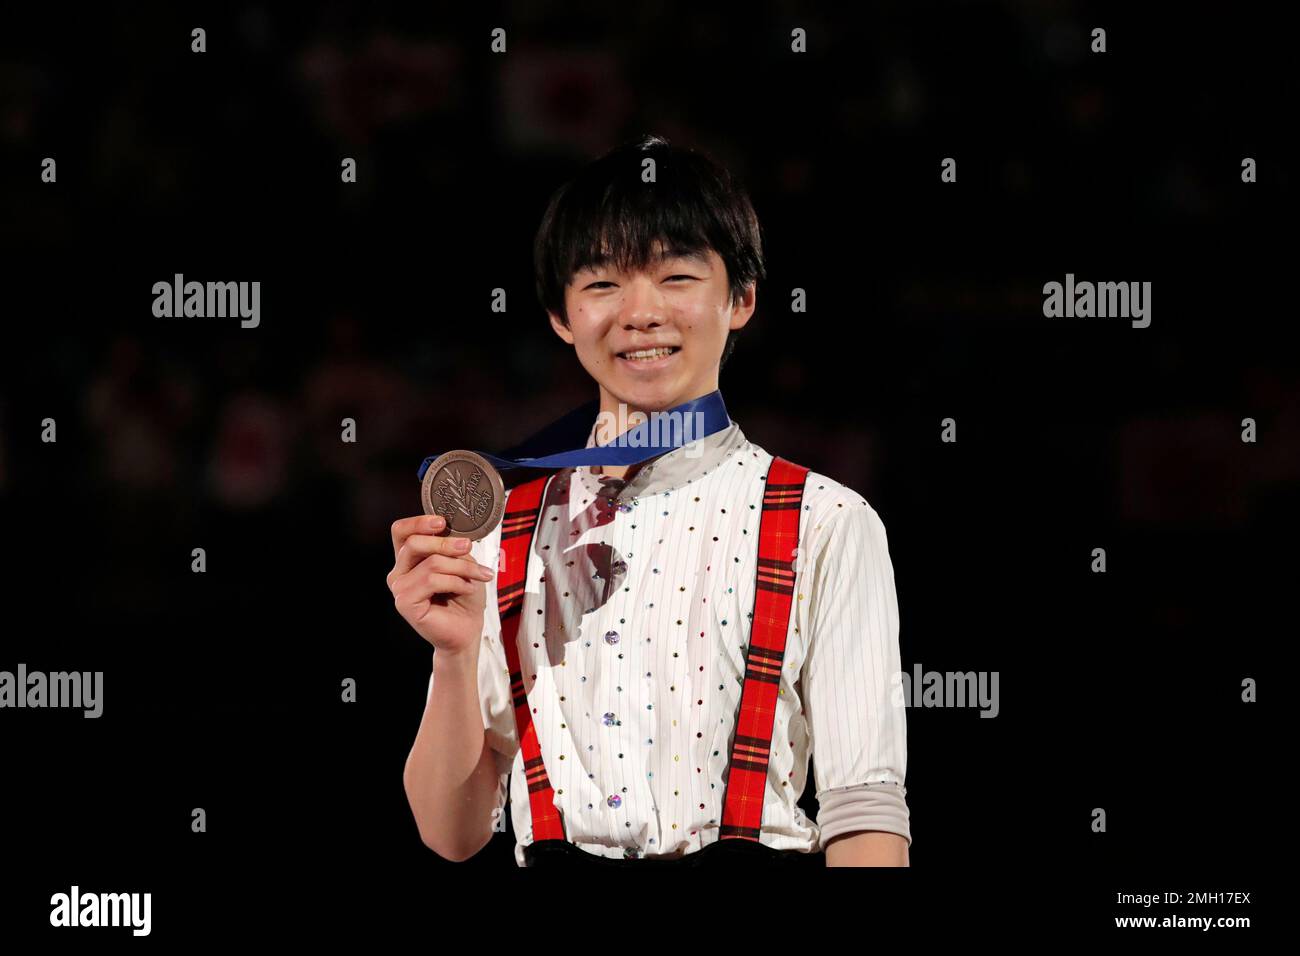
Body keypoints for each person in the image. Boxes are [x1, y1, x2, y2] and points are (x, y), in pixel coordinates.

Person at [391, 134, 910, 867]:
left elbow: (865, 813)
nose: (641, 312)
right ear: (561, 317)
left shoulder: (825, 520)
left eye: (675, 276)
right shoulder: (502, 532)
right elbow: (452, 832)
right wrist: (451, 656)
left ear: (742, 299)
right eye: (602, 284)